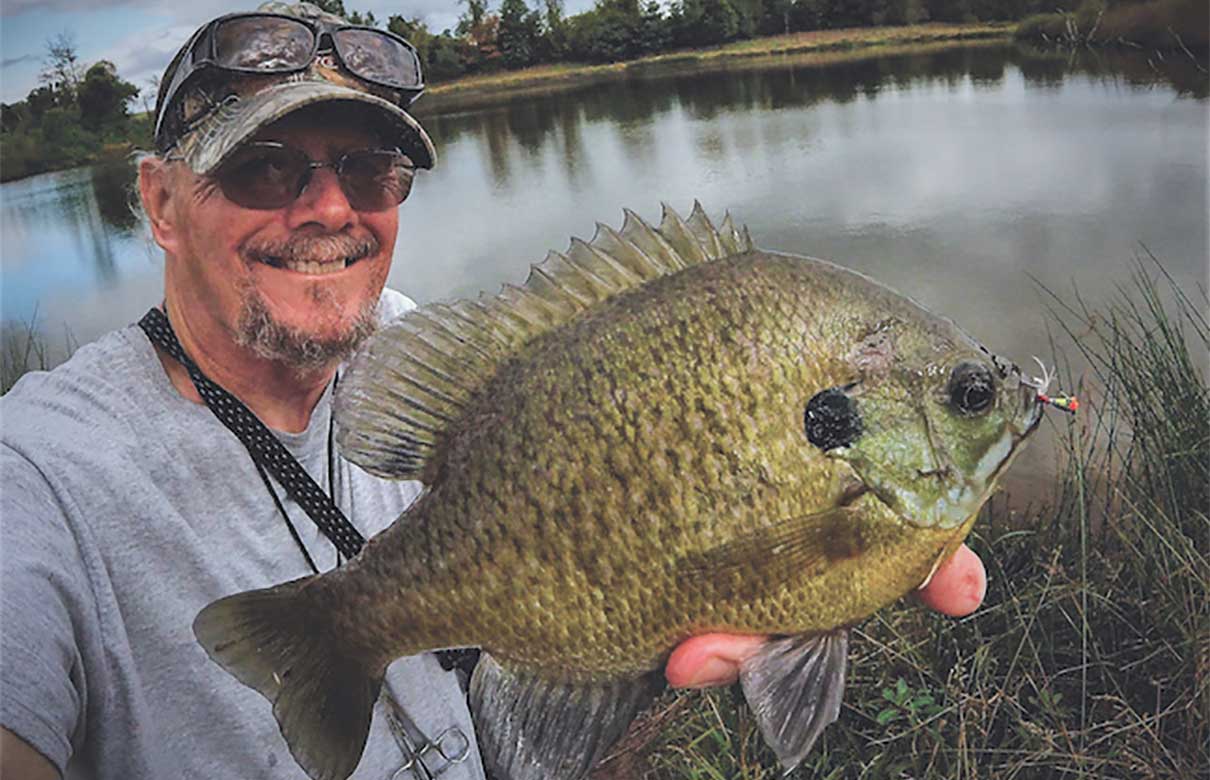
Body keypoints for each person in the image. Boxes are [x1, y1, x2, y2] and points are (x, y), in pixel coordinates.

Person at [0, 3, 988, 778]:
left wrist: (659, 627)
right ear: (162, 203)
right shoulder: (42, 478)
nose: (331, 208)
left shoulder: (424, 356)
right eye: (264, 168)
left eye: (368, 167)